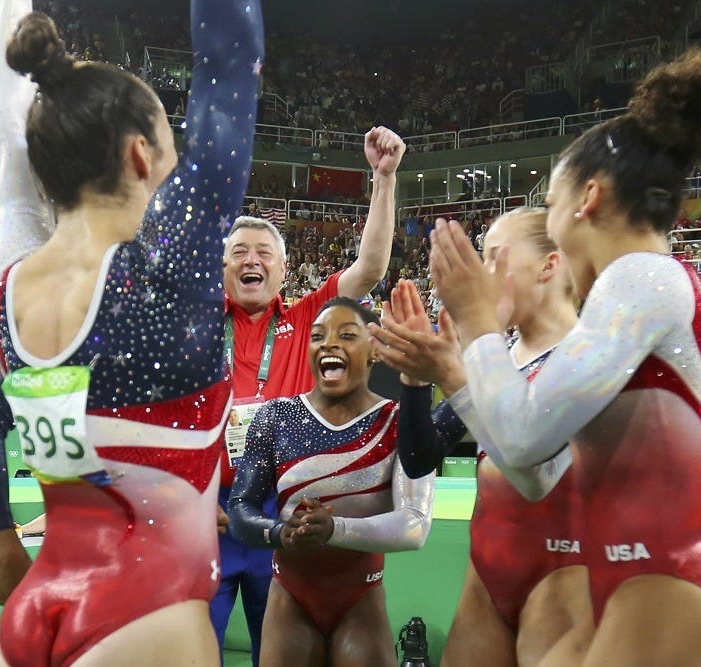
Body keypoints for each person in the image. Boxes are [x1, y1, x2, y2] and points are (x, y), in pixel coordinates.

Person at [426, 23, 701, 665]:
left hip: (666, 590)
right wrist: (458, 365)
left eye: (551, 204)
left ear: (589, 198)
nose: (552, 228)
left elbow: (523, 437)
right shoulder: (647, 290)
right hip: (648, 585)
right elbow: (531, 464)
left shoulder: (642, 276)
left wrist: (477, 324)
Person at [0, 1, 263, 665]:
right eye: (172, 146)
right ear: (139, 155)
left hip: (35, 606)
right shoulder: (167, 269)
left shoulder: (9, 288)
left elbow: (11, 156)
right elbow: (232, 63)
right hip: (147, 611)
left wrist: (1, 541)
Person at [214, 129, 404, 664]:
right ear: (222, 267)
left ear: (282, 268)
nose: (251, 260)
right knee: (192, 649)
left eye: (264, 253)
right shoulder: (196, 330)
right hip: (208, 517)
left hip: (286, 512)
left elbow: (370, 267)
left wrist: (383, 179)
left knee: (277, 651)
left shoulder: (308, 319)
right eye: (238, 252)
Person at [370, 208, 592, 666]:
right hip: (487, 574)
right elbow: (420, 457)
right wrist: (417, 379)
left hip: (565, 573)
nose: (480, 276)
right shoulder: (498, 360)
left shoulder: (591, 357)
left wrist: (454, 375)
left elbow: (537, 474)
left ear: (549, 265)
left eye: (494, 258)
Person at [227, 297, 458, 666]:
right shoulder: (276, 416)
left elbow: (415, 525)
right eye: (318, 336)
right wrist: (280, 533)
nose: (329, 344)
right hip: (289, 596)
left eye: (347, 335)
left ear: (374, 350)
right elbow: (241, 507)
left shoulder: (400, 422)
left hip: (361, 599)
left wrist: (334, 529)